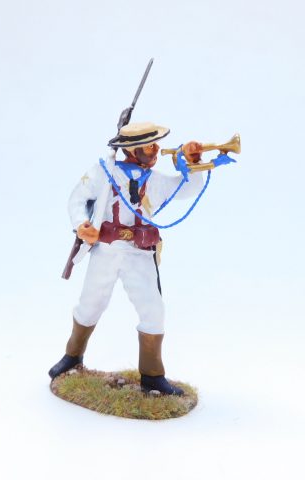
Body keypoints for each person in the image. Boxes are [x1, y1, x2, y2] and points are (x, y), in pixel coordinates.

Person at [48, 121, 204, 395]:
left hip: (139, 253)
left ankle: (152, 376)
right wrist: (82, 224)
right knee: (90, 304)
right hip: (106, 250)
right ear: (132, 150)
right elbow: (77, 199)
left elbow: (186, 189)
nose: (156, 150)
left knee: (153, 310)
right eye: (149, 146)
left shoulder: (154, 180)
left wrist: (192, 164)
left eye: (155, 144)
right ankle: (72, 356)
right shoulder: (103, 172)